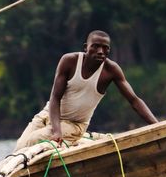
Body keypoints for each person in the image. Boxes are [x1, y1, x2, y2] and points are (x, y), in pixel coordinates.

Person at [14, 30, 158, 151]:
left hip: (74, 124)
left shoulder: (111, 70)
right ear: (85, 47)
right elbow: (55, 98)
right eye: (95, 46)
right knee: (19, 148)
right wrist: (56, 130)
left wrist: (157, 126)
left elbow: (134, 100)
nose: (101, 51)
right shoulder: (69, 61)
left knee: (33, 140)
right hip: (48, 115)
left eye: (105, 48)